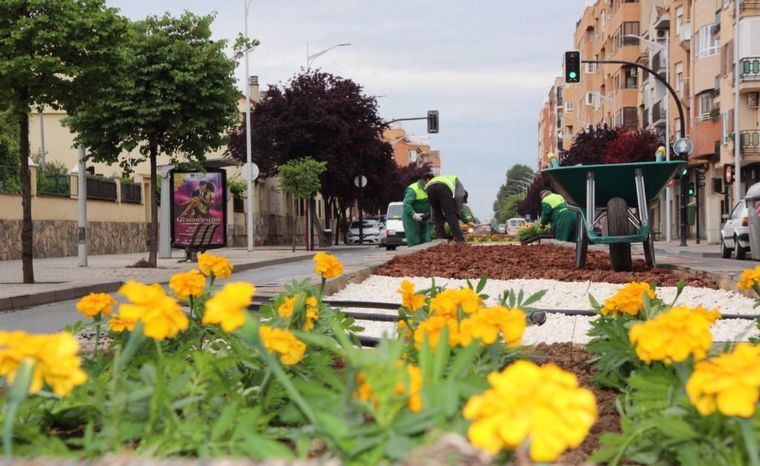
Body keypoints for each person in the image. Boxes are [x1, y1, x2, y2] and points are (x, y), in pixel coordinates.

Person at [425, 175, 470, 245]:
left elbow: (434, 209)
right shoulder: (456, 180)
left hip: (429, 188)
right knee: (451, 215)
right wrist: (456, 213)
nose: (462, 203)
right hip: (443, 188)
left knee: (437, 214)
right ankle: (460, 241)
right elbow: (460, 197)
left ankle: (440, 239)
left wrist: (434, 218)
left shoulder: (442, 179)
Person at [402, 172, 434, 247]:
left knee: (426, 240)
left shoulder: (428, 190)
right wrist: (414, 215)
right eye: (432, 182)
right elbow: (406, 204)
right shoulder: (413, 189)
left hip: (425, 218)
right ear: (427, 180)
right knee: (414, 241)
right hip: (411, 219)